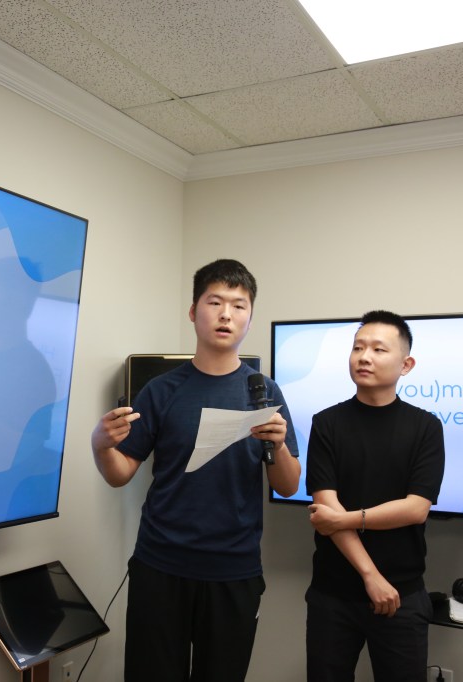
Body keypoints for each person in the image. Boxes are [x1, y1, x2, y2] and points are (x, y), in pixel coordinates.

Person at [91, 258, 302, 682]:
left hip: (234, 570)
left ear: (249, 317)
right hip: (160, 565)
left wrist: (278, 446)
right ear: (193, 311)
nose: (227, 314)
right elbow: (119, 474)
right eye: (215, 302)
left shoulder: (264, 391)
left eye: (239, 306)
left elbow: (288, 483)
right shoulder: (162, 390)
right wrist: (100, 444)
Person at [305, 310, 445, 682]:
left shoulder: (426, 427)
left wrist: (344, 519)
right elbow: (325, 504)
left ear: (406, 365)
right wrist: (371, 576)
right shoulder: (326, 423)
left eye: (378, 349)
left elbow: (415, 509)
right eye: (358, 347)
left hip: (402, 594)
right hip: (333, 594)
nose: (364, 357)